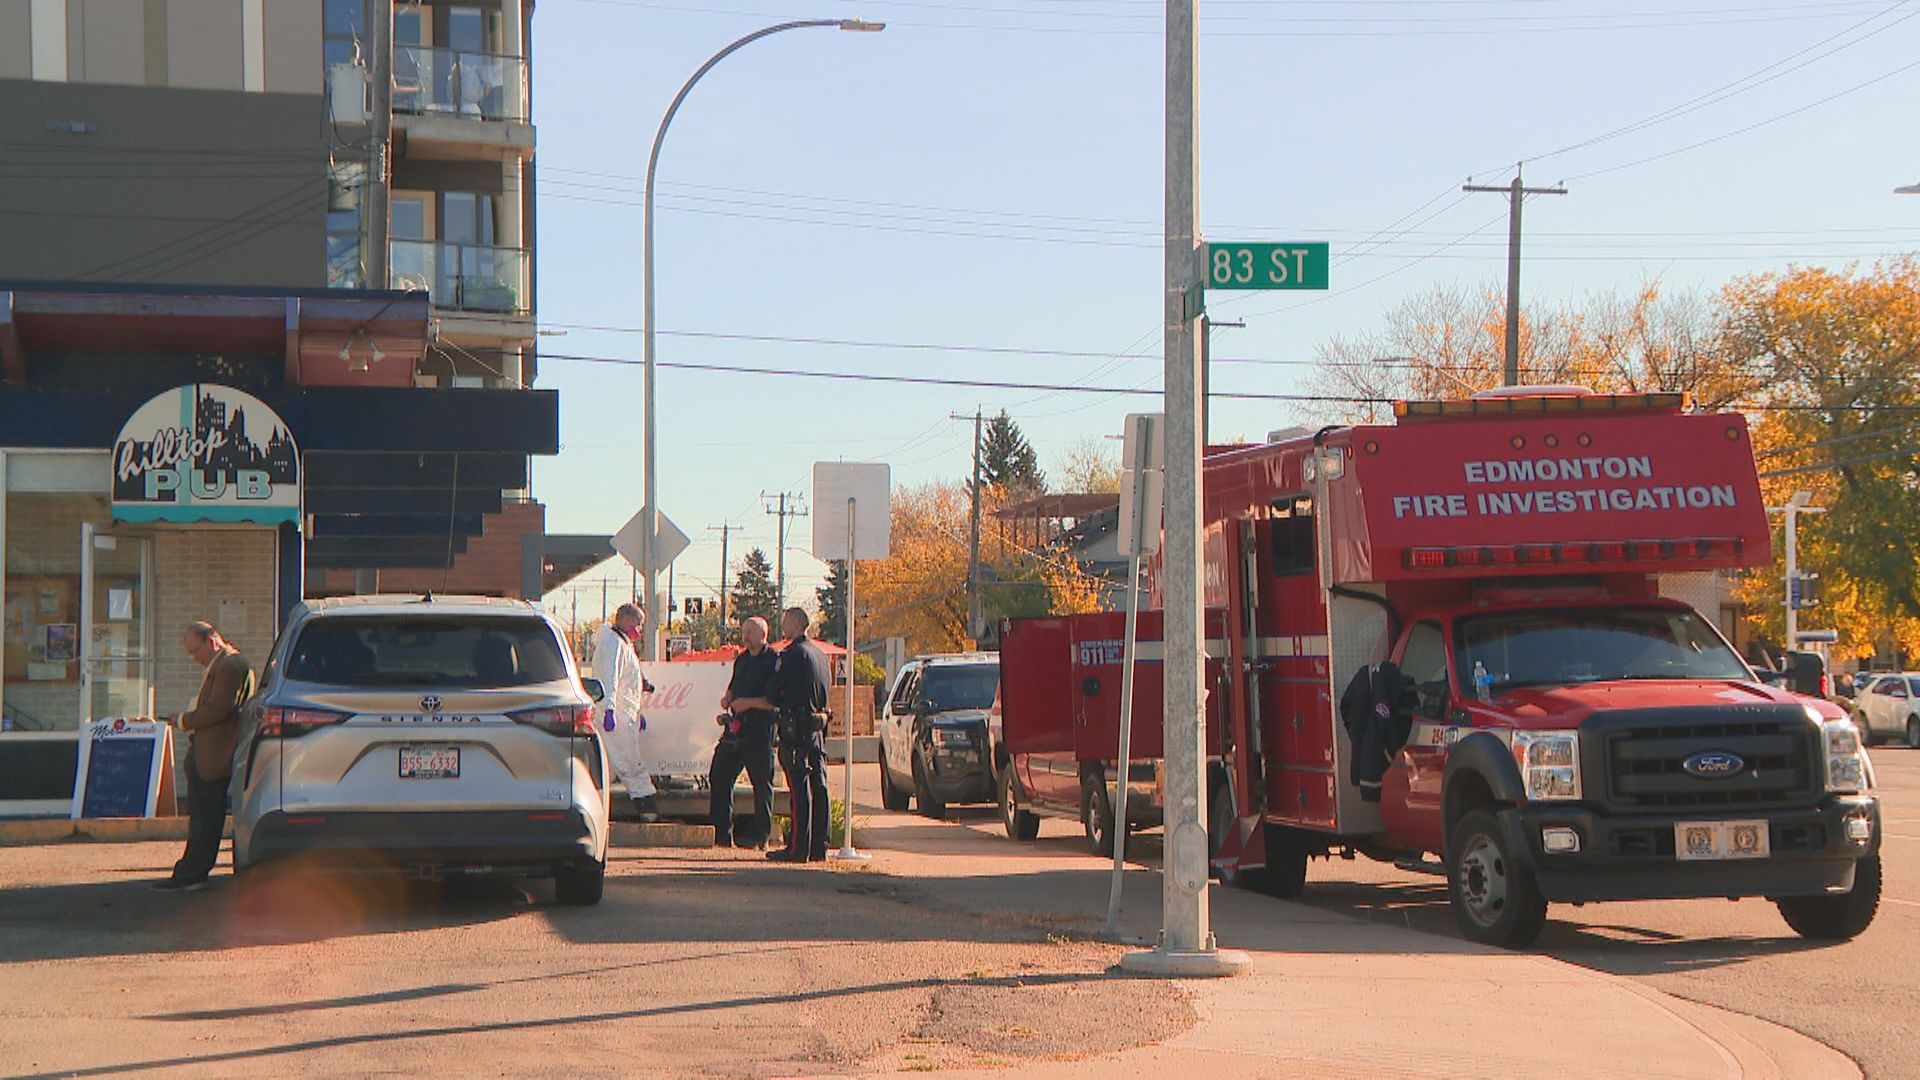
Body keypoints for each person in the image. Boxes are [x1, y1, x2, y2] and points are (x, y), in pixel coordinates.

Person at [155, 622, 255, 891]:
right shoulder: (222, 666)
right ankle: (190, 869)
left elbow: (217, 710)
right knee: (200, 815)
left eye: (195, 651)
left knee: (206, 817)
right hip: (207, 753)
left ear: (211, 642)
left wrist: (184, 721)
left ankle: (194, 872)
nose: (195, 658)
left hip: (215, 755)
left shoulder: (230, 666)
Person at [765, 607, 830, 863]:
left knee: (799, 789)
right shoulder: (821, 655)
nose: (783, 626)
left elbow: (772, 693)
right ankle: (819, 847)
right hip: (817, 728)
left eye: (784, 622)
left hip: (796, 729)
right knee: (820, 786)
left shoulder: (792, 654)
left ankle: (798, 847)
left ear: (794, 623)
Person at [708, 616, 779, 849]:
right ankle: (722, 834)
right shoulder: (742, 660)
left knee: (761, 784)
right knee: (719, 776)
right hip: (735, 729)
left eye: (750, 632)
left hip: (760, 730)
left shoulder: (774, 660)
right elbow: (733, 686)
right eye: (744, 631)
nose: (745, 636)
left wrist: (747, 703)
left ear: (763, 635)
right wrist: (727, 698)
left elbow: (774, 700)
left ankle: (761, 836)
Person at [591, 603, 658, 823]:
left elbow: (628, 680)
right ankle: (647, 806)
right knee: (630, 761)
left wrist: (638, 709)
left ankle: (598, 811)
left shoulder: (620, 643)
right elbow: (610, 678)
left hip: (622, 713)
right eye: (638, 623)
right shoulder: (614, 644)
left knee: (607, 765)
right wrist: (609, 708)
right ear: (628, 620)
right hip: (616, 716)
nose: (639, 629)